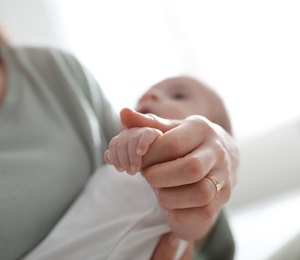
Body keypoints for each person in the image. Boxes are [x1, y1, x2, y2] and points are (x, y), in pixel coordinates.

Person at [0, 0, 239, 260]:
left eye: (179, 96)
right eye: (153, 92)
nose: (153, 97)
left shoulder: (57, 73)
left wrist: (219, 151)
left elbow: (200, 235)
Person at [23, 76, 232, 260]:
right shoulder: (112, 169)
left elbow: (191, 226)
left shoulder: (185, 183)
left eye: (178, 96)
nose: (151, 94)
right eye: (146, 94)